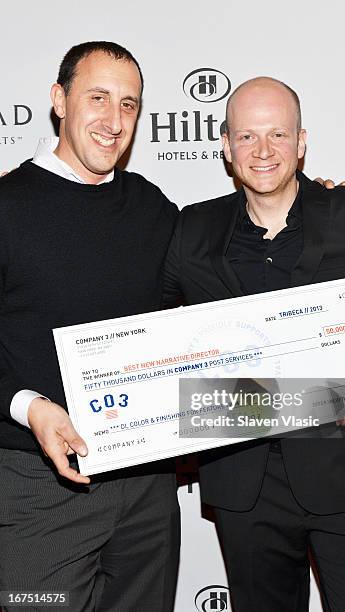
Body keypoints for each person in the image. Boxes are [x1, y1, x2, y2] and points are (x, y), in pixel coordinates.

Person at [164, 76, 345, 611]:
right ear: (225, 146)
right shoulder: (191, 229)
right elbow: (148, 332)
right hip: (242, 483)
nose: (262, 151)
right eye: (247, 137)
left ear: (301, 142)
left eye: (278, 135)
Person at [0, 41, 181, 612]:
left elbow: (212, 294)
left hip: (147, 488)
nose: (113, 119)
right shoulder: (5, 205)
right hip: (37, 486)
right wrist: (30, 406)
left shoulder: (152, 207)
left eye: (129, 104)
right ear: (58, 100)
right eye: (97, 97)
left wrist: (308, 210)